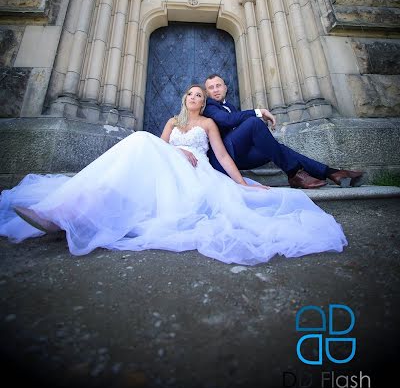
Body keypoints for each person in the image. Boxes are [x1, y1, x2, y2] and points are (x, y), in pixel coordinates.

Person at [0, 85, 347, 266]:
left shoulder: (210, 122)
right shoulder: (171, 122)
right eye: (192, 94)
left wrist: (242, 184)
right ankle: (65, 211)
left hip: (195, 171)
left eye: (201, 94)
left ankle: (72, 214)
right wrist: (176, 150)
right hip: (171, 162)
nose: (196, 97)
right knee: (138, 144)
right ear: (185, 99)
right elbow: (161, 148)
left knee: (138, 140)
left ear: (205, 102)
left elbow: (224, 156)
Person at [203, 74, 363, 189]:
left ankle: (331, 172)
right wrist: (259, 112)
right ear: (207, 93)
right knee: (253, 122)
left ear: (225, 87)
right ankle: (294, 172)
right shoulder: (209, 106)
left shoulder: (230, 106)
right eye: (211, 88)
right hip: (222, 157)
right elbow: (226, 121)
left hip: (239, 157)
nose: (215, 90)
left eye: (218, 85)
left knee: (278, 148)